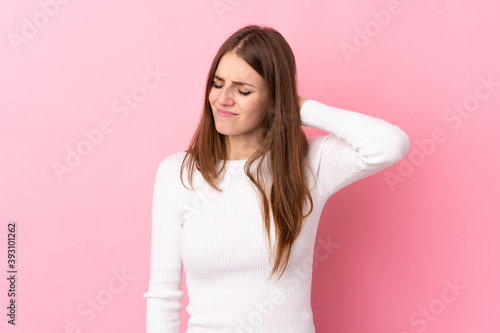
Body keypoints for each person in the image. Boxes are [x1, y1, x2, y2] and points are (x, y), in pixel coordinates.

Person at [142, 24, 410, 333]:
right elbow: (163, 295)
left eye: (243, 90)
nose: (223, 99)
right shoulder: (178, 174)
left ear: (274, 98)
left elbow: (390, 145)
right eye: (217, 84)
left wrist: (300, 108)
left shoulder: (308, 164)